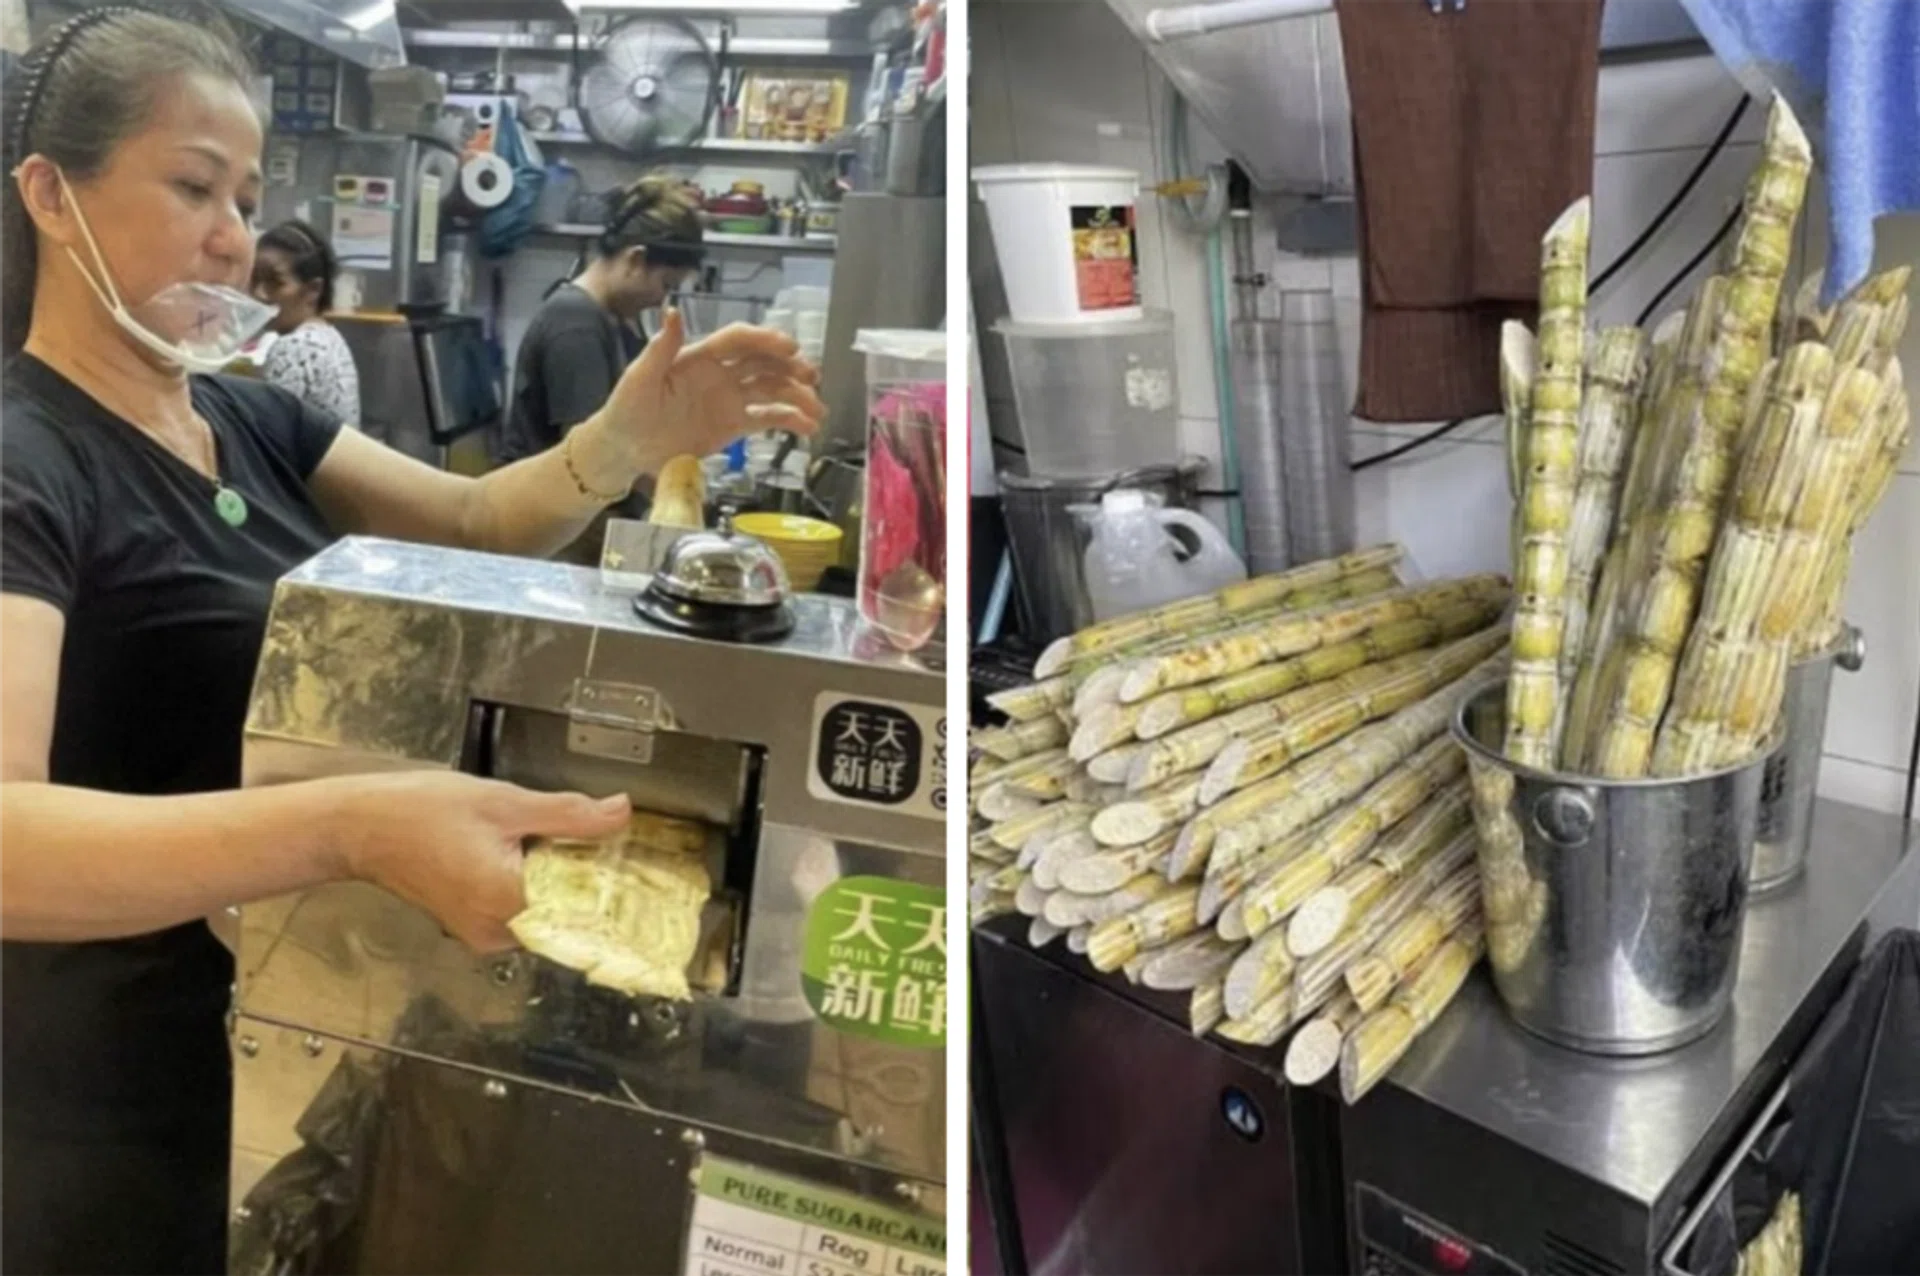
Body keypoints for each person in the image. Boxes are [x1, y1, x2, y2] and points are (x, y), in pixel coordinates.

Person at [0, 10, 822, 1275]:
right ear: (51, 196)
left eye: (248, 195)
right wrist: (352, 826)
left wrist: (628, 436)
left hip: (274, 1031)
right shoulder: (27, 461)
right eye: (192, 186)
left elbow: (481, 518)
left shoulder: (245, 415)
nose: (234, 234)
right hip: (105, 1105)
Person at [498, 173, 705, 469]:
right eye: (666, 285)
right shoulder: (576, 323)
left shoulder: (618, 317)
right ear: (635, 260)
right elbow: (588, 464)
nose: (662, 299)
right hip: (549, 513)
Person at [249, 217, 360, 422]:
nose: (259, 294)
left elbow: (267, 438)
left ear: (313, 290)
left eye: (275, 282)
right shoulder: (328, 336)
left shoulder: (295, 348)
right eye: (255, 279)